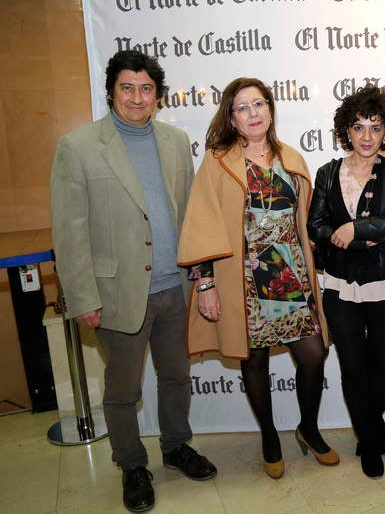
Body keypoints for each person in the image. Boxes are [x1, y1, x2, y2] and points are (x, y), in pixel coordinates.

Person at [50, 50, 217, 513]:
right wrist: (83, 296)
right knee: (123, 390)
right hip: (116, 295)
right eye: (128, 87)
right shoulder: (79, 146)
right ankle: (132, 463)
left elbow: (190, 218)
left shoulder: (175, 140)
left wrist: (201, 279)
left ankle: (176, 446)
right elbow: (69, 232)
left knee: (177, 377)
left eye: (146, 89)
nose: (137, 97)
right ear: (110, 92)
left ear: (158, 96)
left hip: (174, 289)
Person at [177, 77, 336, 480]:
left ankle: (309, 428)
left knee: (314, 356)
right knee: (255, 361)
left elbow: (307, 223)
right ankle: (268, 436)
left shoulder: (291, 159)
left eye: (259, 104)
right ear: (230, 117)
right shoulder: (218, 162)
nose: (253, 113)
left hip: (289, 274)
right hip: (243, 278)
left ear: (270, 109)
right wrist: (206, 284)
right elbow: (201, 225)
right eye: (243, 107)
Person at [308, 85, 385, 478]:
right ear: (346, 132)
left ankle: (371, 426)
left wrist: (359, 228)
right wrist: (354, 235)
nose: (367, 136)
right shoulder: (326, 173)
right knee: (353, 366)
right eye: (358, 127)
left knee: (380, 364)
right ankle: (370, 438)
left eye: (375, 126)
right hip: (340, 287)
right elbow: (315, 225)